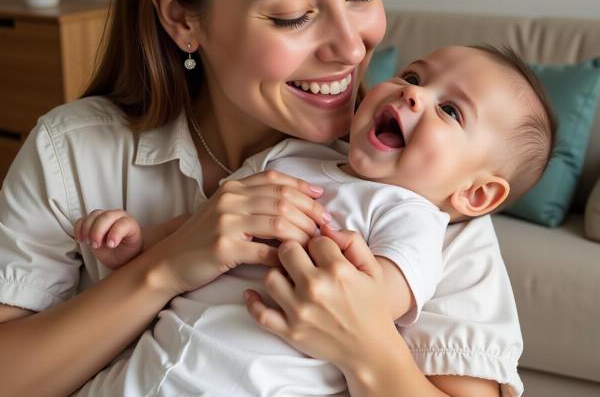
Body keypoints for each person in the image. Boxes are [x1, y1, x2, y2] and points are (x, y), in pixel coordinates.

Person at [0, 0, 524, 396]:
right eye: (293, 14)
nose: (351, 47)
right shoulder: (73, 152)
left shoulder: (425, 196)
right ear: (180, 17)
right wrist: (165, 266)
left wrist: (370, 349)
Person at [73, 44, 556, 396]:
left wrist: (345, 289)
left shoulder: (413, 217)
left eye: (450, 110)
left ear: (475, 193)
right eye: (412, 76)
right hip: (150, 366)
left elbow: (378, 298)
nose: (413, 96)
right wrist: (139, 240)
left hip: (253, 381)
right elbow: (209, 222)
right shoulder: (289, 153)